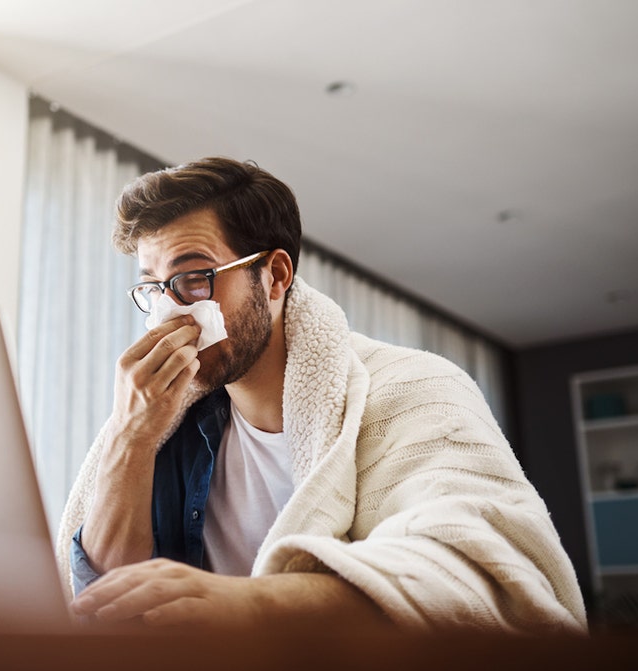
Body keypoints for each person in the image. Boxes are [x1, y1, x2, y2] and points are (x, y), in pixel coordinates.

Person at [56, 157, 587, 633]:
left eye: (195, 277)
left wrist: (254, 605)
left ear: (276, 276)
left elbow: (475, 566)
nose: (169, 311)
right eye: (154, 287)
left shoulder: (416, 389)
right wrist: (132, 435)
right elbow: (103, 599)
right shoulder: (168, 424)